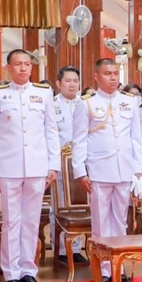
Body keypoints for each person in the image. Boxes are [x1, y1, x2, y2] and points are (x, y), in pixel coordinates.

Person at [0, 49, 60, 282]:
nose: (23, 68)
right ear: (9, 68)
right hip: (8, 166)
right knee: (11, 221)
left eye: (27, 64)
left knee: (32, 221)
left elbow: (51, 131)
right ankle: (11, 272)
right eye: (18, 64)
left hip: (37, 166)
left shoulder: (43, 93)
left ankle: (28, 270)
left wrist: (53, 164)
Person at [73, 58, 142, 282]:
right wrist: (80, 171)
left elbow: (136, 138)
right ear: (96, 76)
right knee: (101, 221)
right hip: (99, 169)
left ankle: (119, 264)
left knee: (120, 221)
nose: (113, 78)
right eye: (107, 73)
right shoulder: (87, 103)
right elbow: (79, 140)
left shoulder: (129, 101)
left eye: (115, 73)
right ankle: (104, 268)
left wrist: (138, 171)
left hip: (123, 168)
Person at [50, 66, 87, 263]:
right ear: (58, 83)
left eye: (75, 81)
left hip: (82, 162)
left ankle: (77, 248)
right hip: (59, 163)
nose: (72, 84)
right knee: (60, 205)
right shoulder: (51, 105)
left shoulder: (85, 104)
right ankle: (61, 250)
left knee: (81, 205)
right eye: (68, 81)